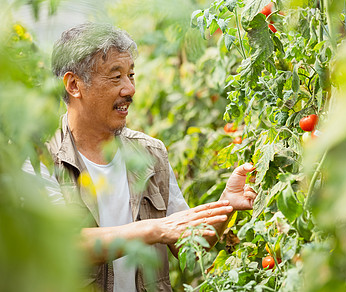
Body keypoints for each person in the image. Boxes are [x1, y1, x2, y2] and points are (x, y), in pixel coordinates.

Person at [41, 22, 256, 292]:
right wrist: (154, 229)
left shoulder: (150, 153)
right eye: (115, 76)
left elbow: (186, 245)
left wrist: (225, 206)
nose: (129, 89)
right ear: (74, 85)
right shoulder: (42, 158)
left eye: (131, 75)